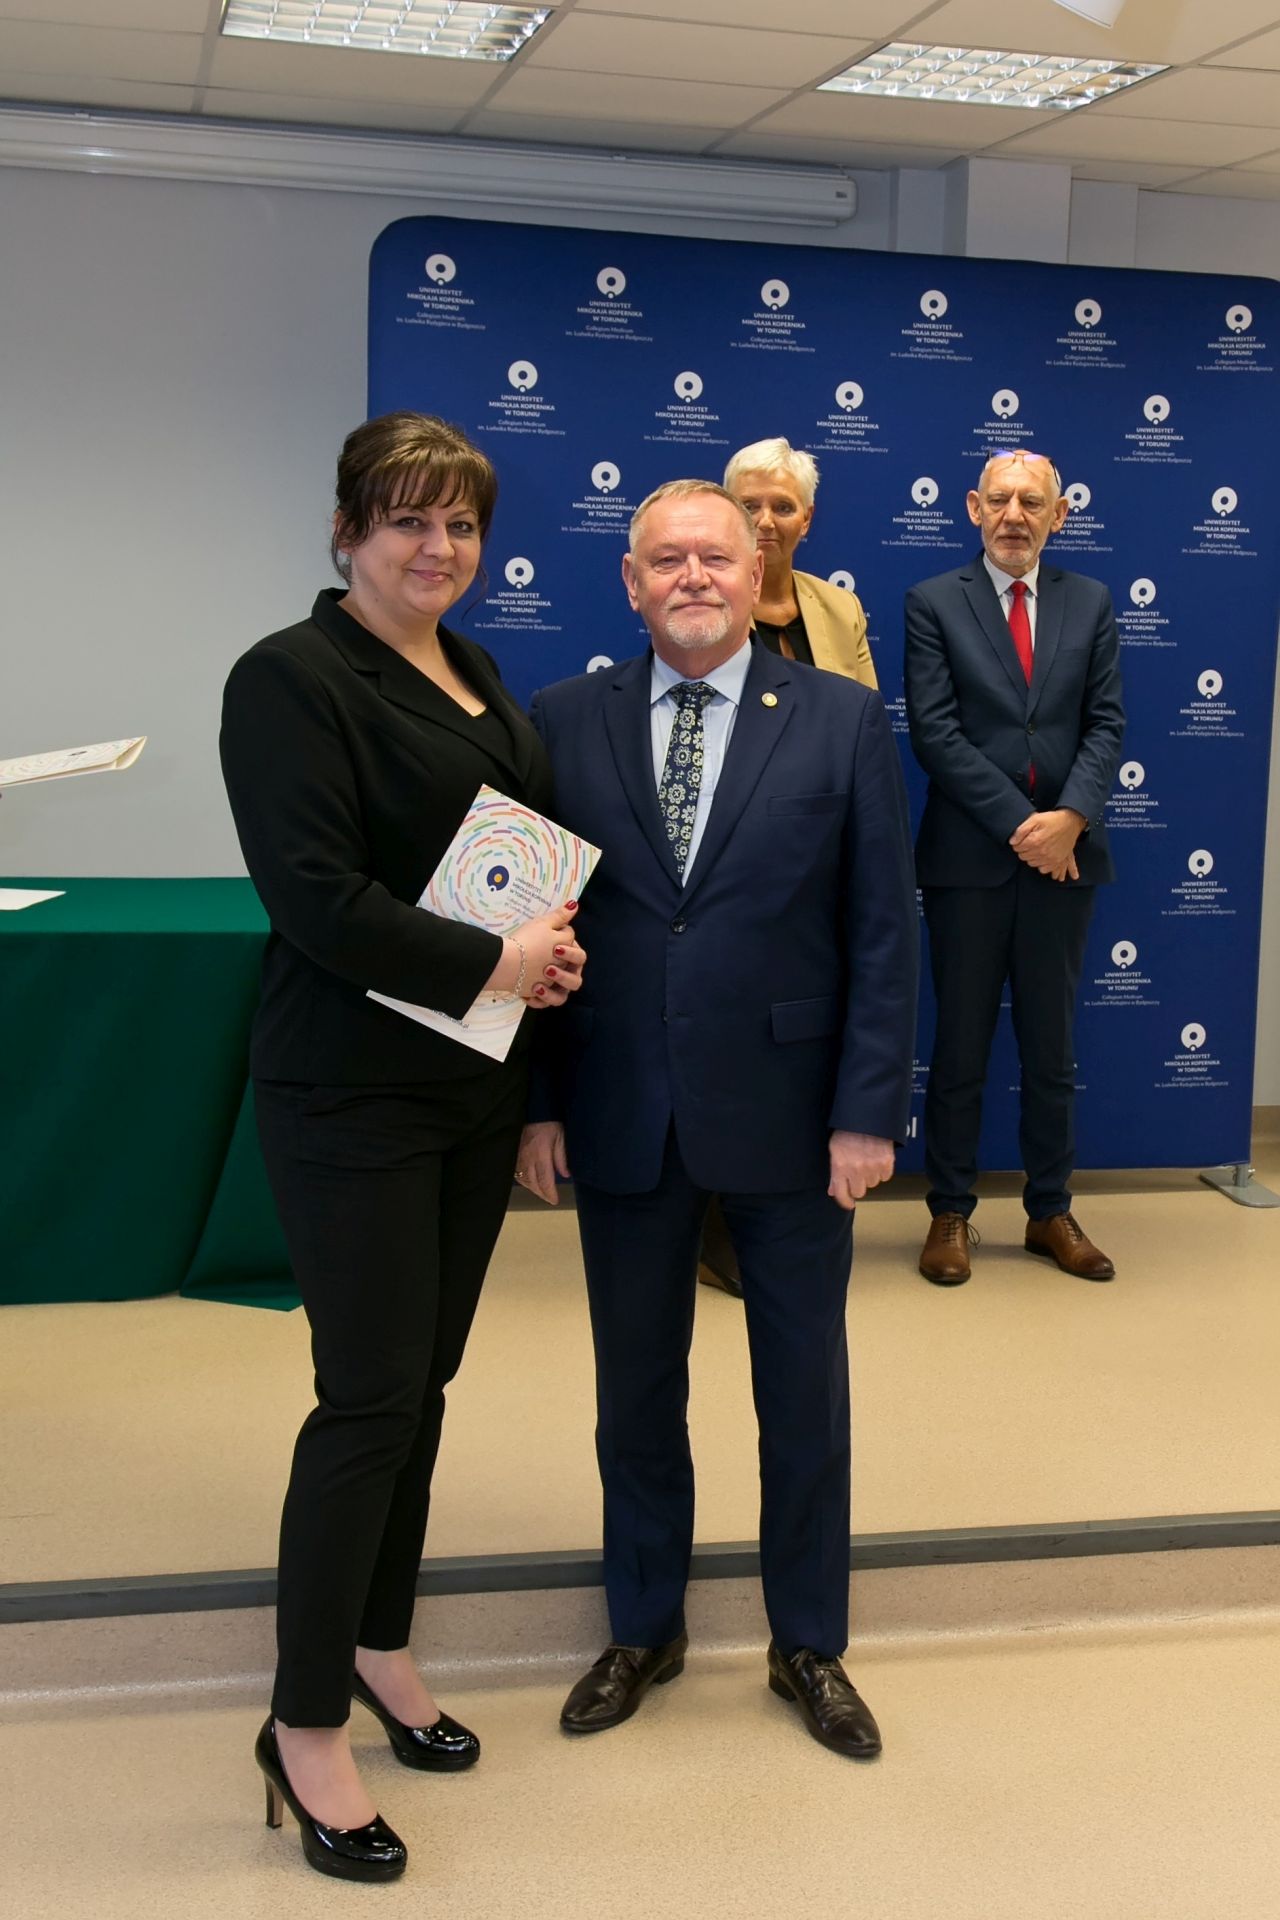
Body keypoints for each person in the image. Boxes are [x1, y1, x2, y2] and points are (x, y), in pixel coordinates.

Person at [220, 412, 585, 1882]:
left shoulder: (478, 674)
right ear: (346, 531)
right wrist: (498, 962)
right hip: (348, 1094)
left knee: (419, 1389)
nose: (439, 548)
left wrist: (539, 974)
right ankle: (303, 1724)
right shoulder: (289, 679)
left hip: (468, 1090)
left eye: (460, 524)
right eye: (407, 520)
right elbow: (318, 899)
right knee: (366, 1400)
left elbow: (514, 881)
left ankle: (379, 1646)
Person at [518, 480, 917, 1760]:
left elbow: (880, 929)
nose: (691, 577)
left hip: (794, 1121)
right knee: (635, 1392)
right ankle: (643, 1628)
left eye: (714, 557)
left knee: (802, 1397)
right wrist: (538, 1105)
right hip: (620, 1111)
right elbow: (531, 931)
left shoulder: (842, 720)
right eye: (665, 559)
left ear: (757, 576)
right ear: (628, 582)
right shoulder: (557, 720)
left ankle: (808, 1643)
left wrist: (865, 1113)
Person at [904, 450, 1125, 1288]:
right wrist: (1023, 827)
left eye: (1033, 502)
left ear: (1058, 515)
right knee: (960, 1046)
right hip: (969, 862)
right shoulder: (934, 601)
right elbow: (935, 732)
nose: (1014, 515)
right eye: (999, 499)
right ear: (973, 507)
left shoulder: (1090, 601)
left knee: (1052, 1050)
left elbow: (1105, 723)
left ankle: (1050, 1211)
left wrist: (1069, 821)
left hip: (1067, 862)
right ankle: (950, 1211)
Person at [696, 437, 878, 1297]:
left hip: (821, 860)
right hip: (724, 866)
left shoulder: (839, 610)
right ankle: (713, 1226)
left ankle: (786, 1212)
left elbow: (865, 725)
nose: (765, 521)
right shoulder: (703, 602)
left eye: (783, 506)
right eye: (750, 505)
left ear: (808, 518)